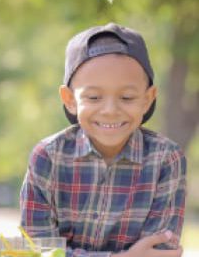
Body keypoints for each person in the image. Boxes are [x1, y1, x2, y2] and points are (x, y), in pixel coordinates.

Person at [20, 23, 186, 257]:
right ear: (69, 99)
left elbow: (159, 252)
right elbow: (36, 250)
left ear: (147, 99)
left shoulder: (166, 159)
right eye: (94, 97)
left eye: (127, 97)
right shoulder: (48, 158)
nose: (110, 110)